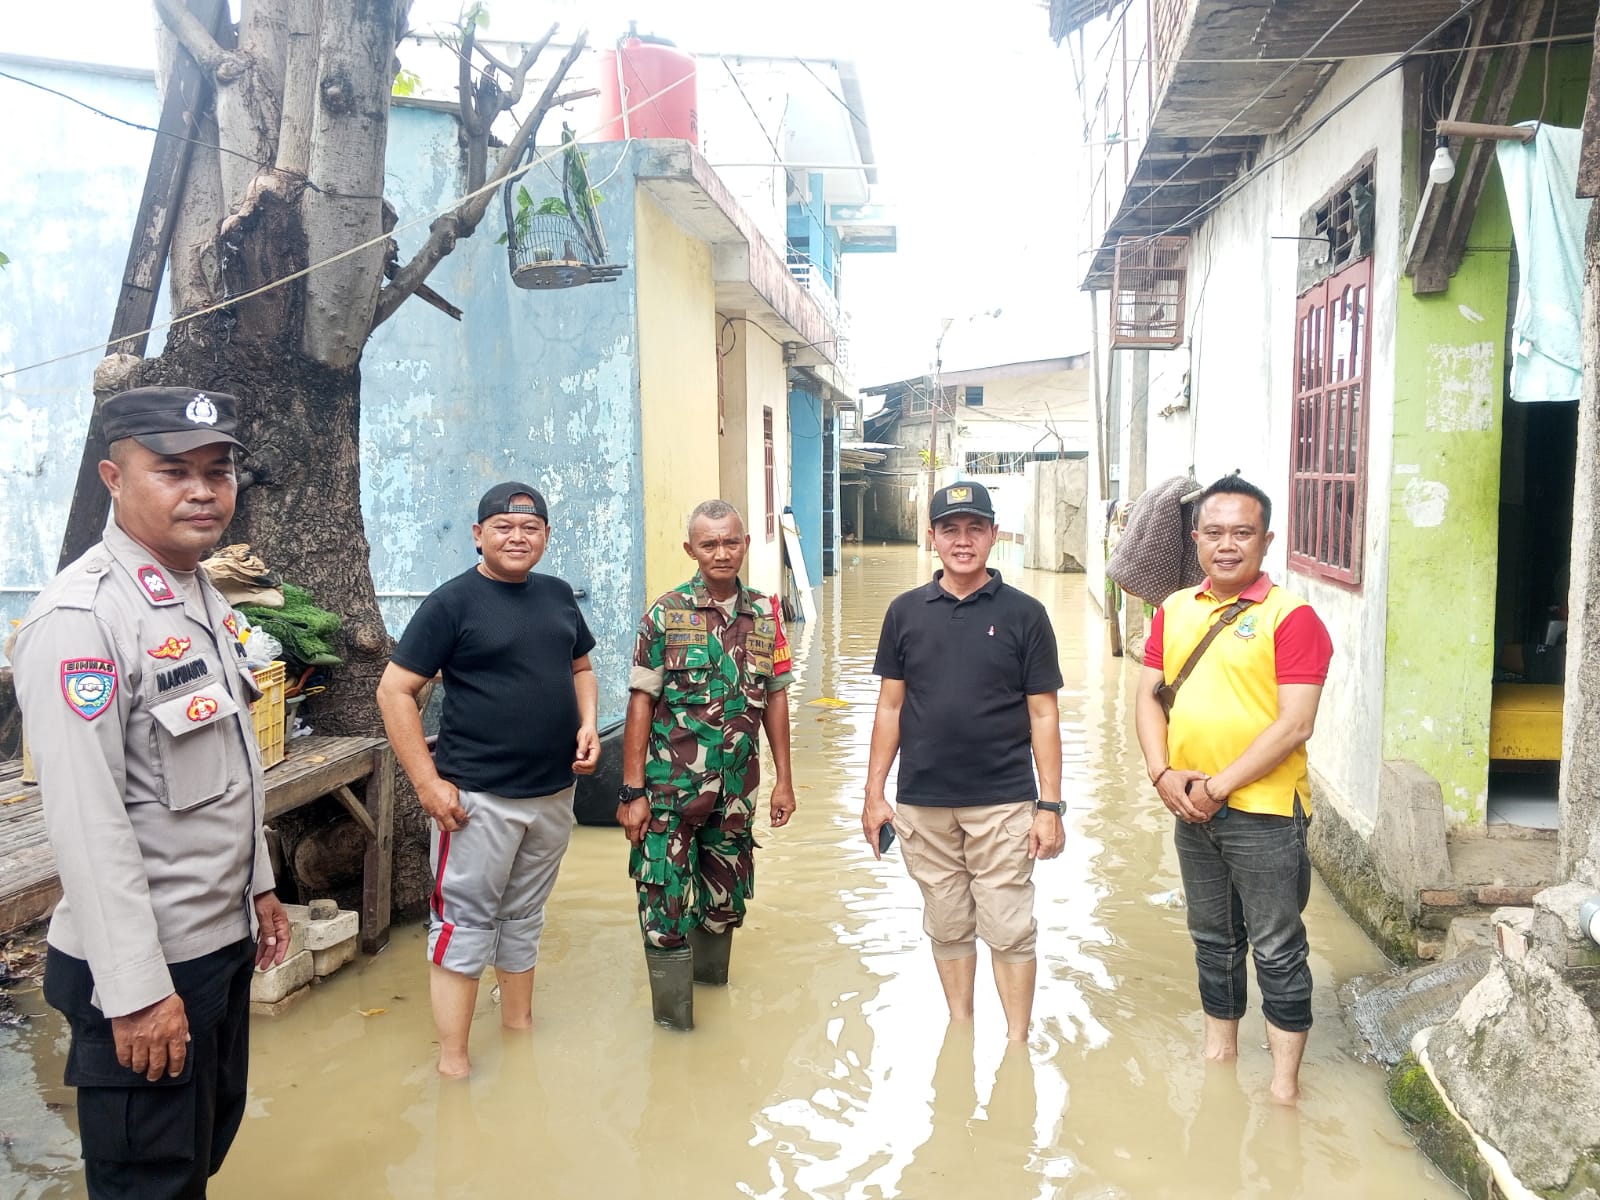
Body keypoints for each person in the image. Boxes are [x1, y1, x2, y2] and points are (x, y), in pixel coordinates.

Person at [10, 386, 290, 1199]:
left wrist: (261, 886)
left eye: (218, 470)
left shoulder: (195, 589)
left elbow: (227, 767)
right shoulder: (82, 618)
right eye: (172, 470)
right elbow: (87, 825)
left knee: (196, 1158)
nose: (203, 490)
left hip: (215, 943)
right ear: (113, 477)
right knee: (148, 1185)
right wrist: (135, 995)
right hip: (142, 970)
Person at [375, 482, 599, 1077]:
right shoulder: (452, 603)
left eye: (530, 529)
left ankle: (518, 1031)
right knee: (464, 924)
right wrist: (426, 783)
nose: (517, 537)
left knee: (524, 915)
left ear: (546, 537)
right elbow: (394, 690)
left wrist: (588, 725)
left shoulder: (556, 596)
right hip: (476, 799)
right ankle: (454, 1064)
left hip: (553, 792)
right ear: (479, 535)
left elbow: (581, 665)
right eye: (503, 527)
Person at [1133, 474, 1333, 1105]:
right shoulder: (1173, 610)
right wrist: (1162, 773)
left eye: (1242, 533)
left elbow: (1295, 722)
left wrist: (1218, 784)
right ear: (1196, 539)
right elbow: (1147, 697)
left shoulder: (1291, 617)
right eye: (1214, 532)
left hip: (1265, 812)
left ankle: (1282, 1089)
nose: (1227, 545)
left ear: (1265, 541)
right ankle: (1220, 1053)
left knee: (1277, 945)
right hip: (1190, 805)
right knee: (1213, 940)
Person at [860, 481, 1066, 1042]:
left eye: (976, 528)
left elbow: (1044, 716)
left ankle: (1018, 1044)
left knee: (1010, 927)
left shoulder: (1026, 614)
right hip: (923, 803)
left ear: (995, 535)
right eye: (950, 529)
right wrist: (874, 794)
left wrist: (1050, 806)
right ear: (932, 538)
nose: (963, 540)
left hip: (1003, 801)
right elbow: (890, 707)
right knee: (947, 924)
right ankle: (961, 1030)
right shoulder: (904, 612)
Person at [618, 499, 795, 1030]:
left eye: (731, 542)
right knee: (664, 908)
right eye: (709, 543)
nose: (722, 552)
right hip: (669, 792)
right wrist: (631, 792)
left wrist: (785, 780)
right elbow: (640, 703)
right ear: (691, 549)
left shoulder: (766, 613)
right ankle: (675, 1032)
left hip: (737, 791)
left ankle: (712, 1002)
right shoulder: (665, 614)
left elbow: (777, 697)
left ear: (744, 544)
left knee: (725, 900)